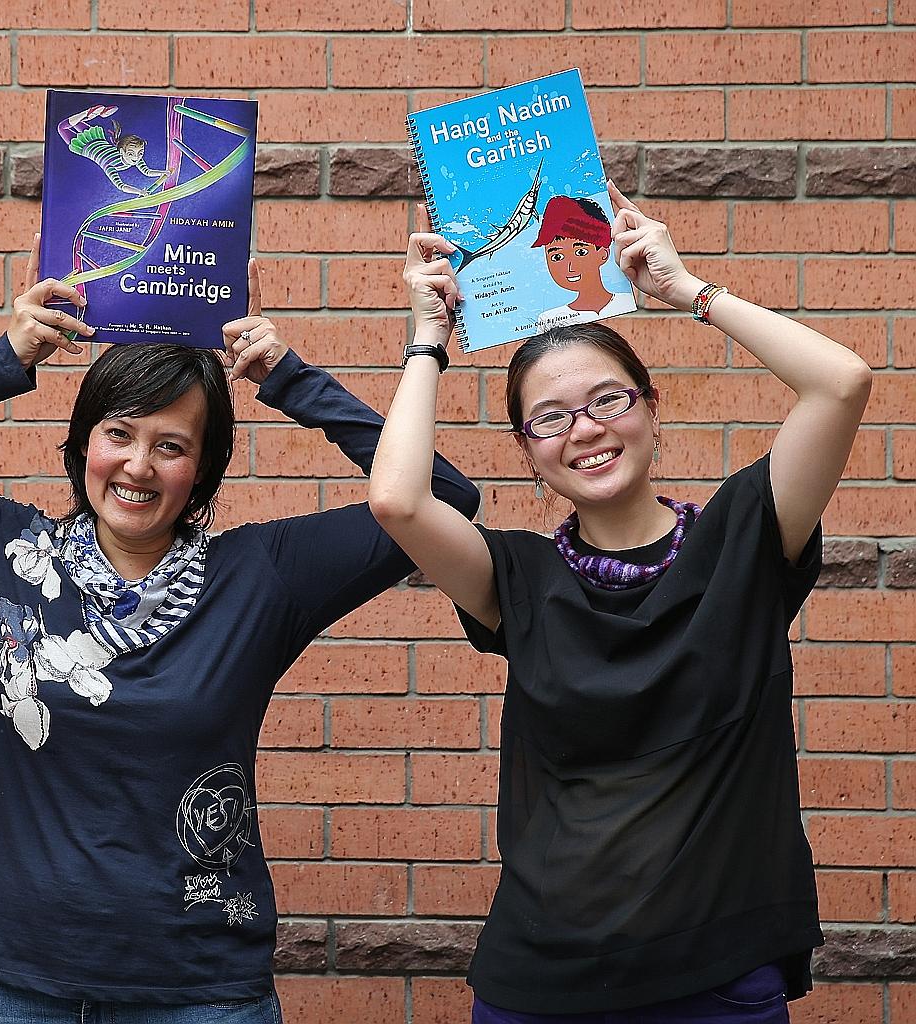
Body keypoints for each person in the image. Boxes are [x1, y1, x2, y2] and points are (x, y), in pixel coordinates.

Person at [0, 238, 478, 1021]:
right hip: (1, 986)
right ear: (81, 446)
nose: (138, 465)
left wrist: (290, 381)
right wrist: (5, 359)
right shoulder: (4, 551)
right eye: (119, 433)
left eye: (170, 446)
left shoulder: (262, 577)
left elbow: (440, 496)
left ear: (200, 471)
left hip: (197, 992)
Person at [368, 185, 872, 1021]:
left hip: (715, 982)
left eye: (609, 399)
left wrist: (686, 291)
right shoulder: (517, 578)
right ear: (530, 453)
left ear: (651, 410)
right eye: (551, 418)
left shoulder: (745, 538)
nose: (587, 428)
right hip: (544, 985)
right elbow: (397, 501)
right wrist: (429, 336)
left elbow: (842, 383)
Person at [531, 195, 633, 332]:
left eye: (580, 252)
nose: (570, 267)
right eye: (557, 257)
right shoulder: (550, 319)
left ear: (603, 254)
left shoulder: (625, 301)